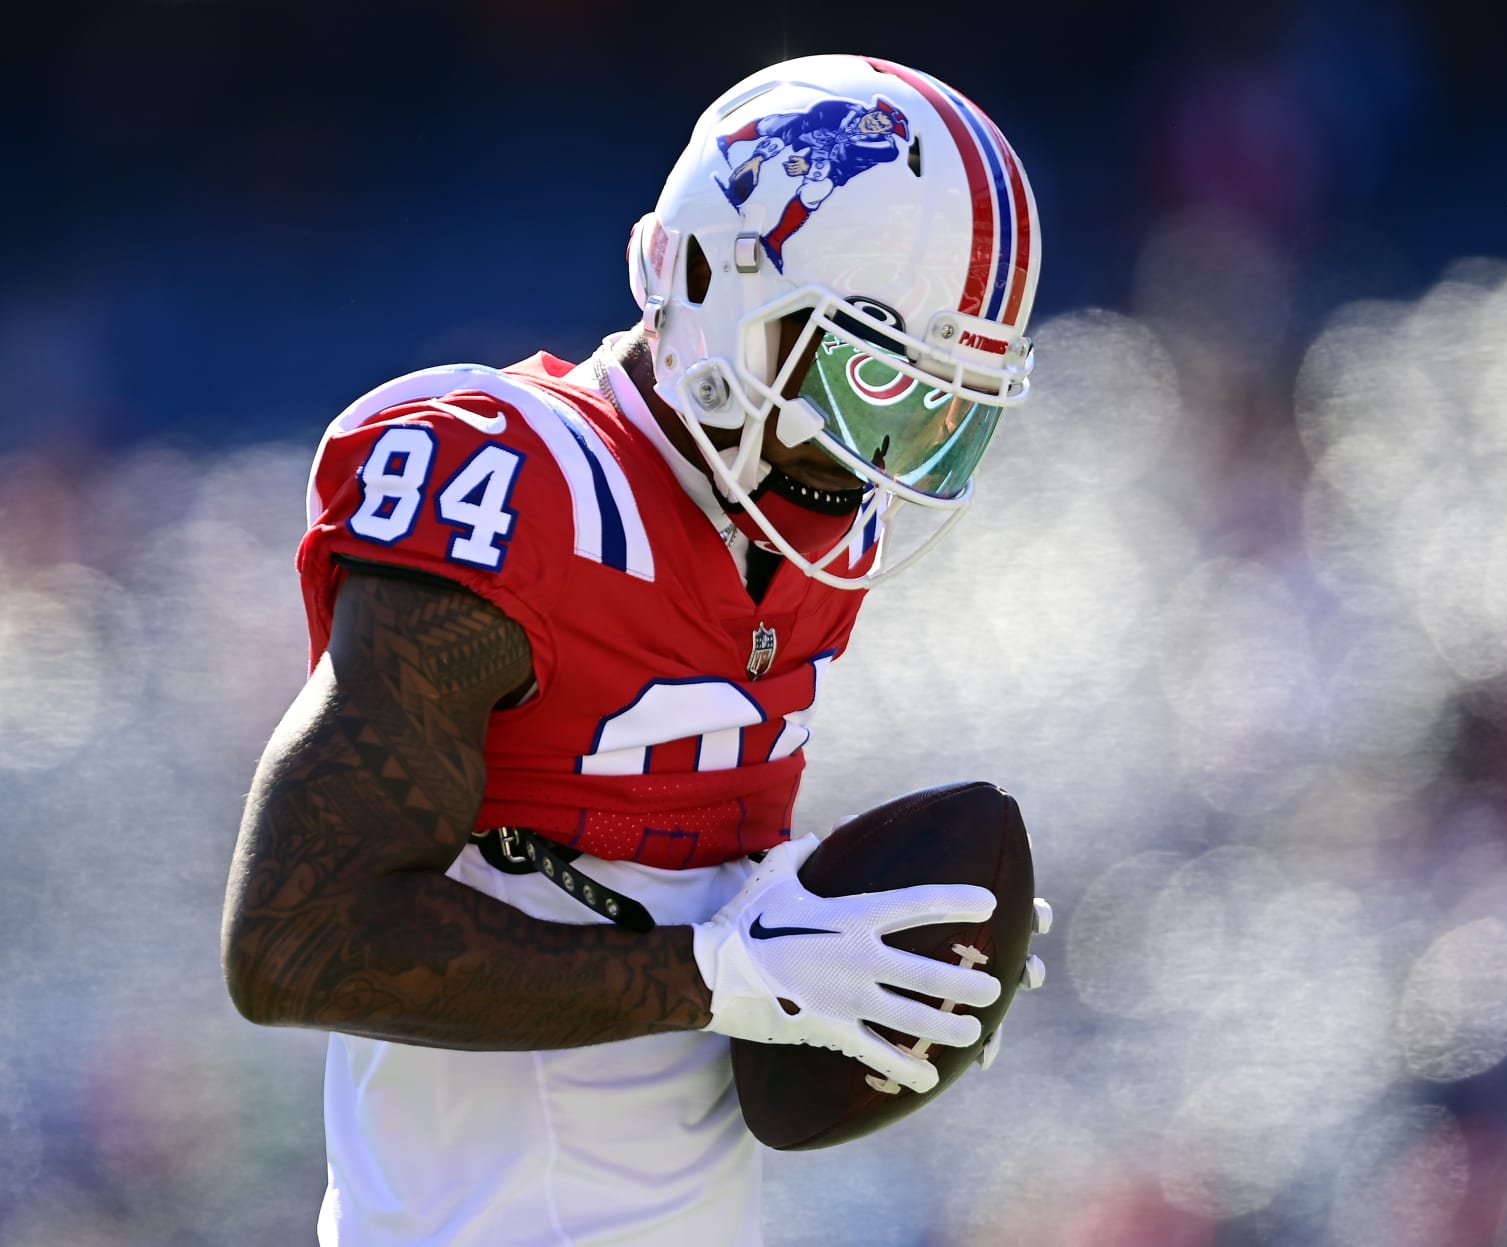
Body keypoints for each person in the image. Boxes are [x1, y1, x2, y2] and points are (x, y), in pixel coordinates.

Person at [220, 52, 1043, 1247]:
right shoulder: (512, 486)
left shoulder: (791, 527)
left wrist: (843, 939)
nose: (884, 461)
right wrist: (720, 972)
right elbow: (296, 937)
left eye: (938, 417)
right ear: (718, 281)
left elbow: (651, 861)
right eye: (872, 386)